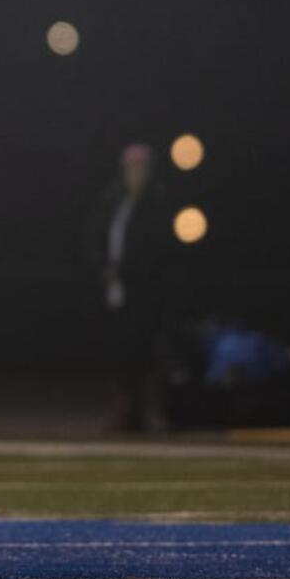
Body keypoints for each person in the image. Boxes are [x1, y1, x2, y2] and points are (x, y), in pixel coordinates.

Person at [84, 143, 172, 432]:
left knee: (142, 352)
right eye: (131, 169)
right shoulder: (114, 200)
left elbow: (157, 250)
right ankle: (125, 412)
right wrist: (105, 268)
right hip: (117, 290)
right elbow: (97, 235)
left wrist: (131, 272)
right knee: (121, 351)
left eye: (140, 169)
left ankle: (142, 414)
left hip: (144, 291)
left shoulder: (156, 203)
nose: (135, 174)